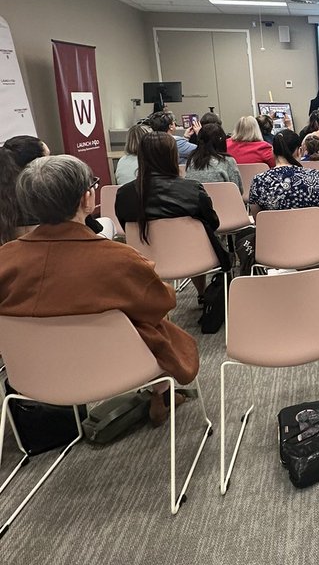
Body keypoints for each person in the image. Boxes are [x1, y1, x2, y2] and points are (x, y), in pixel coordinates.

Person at [0, 155, 199, 426]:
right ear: (86, 198)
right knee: (152, 320)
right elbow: (162, 301)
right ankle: (161, 393)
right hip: (120, 367)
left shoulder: (5, 259)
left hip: (32, 375)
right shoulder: (118, 259)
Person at [115, 132, 230, 286]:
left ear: (141, 157)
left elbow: (125, 227)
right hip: (196, 259)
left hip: (145, 262)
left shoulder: (123, 195)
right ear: (173, 156)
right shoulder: (192, 189)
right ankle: (202, 294)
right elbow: (213, 223)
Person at [247, 129, 319, 217]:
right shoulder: (317, 178)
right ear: (299, 151)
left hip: (275, 228)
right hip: (312, 227)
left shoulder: (258, 181)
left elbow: (258, 219)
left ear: (273, 152)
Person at [183, 123, 243, 189]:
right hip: (222, 195)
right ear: (222, 141)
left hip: (195, 195)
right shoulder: (228, 161)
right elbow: (238, 189)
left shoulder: (191, 159)